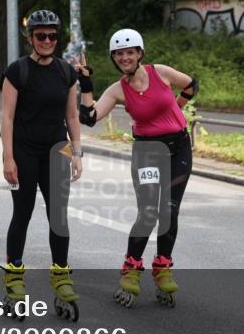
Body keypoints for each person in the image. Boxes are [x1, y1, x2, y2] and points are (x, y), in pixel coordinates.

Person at [73, 29, 197, 308]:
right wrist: (86, 83)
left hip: (179, 149)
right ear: (114, 59)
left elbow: (191, 85)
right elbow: (89, 117)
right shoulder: (118, 90)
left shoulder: (161, 73)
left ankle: (162, 267)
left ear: (140, 53)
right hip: (147, 153)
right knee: (150, 212)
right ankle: (131, 268)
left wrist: (178, 107)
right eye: (119, 54)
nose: (125, 57)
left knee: (170, 209)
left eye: (130, 52)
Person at [0, 10, 83, 321]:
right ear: (30, 38)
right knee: (22, 214)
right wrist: (8, 157)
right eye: (40, 36)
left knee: (58, 216)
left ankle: (61, 278)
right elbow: (7, 117)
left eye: (52, 35)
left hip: (57, 149)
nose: (47, 41)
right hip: (23, 150)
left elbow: (72, 116)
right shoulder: (17, 71)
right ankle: (14, 278)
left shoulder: (66, 72)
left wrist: (77, 152)